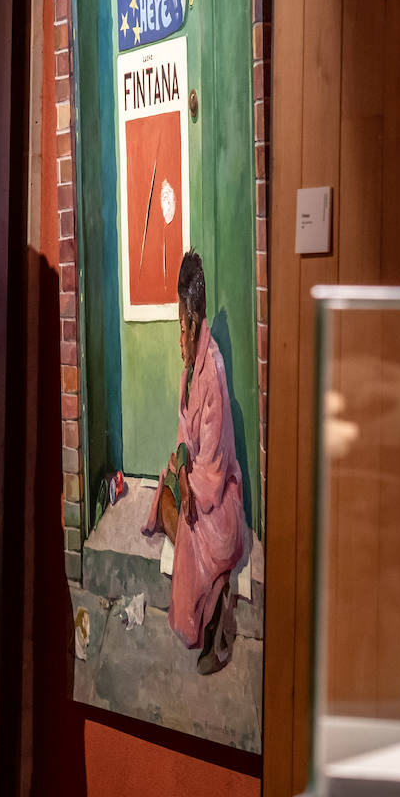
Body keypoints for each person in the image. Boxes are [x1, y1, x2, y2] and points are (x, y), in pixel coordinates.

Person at [142, 252, 249, 674]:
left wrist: (188, 479)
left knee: (188, 531)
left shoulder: (213, 370)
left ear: (192, 324)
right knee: (163, 495)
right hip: (196, 485)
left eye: (180, 329)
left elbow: (215, 470)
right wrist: (178, 464)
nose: (178, 338)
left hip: (219, 503)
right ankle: (213, 588)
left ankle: (216, 602)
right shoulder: (190, 369)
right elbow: (186, 436)